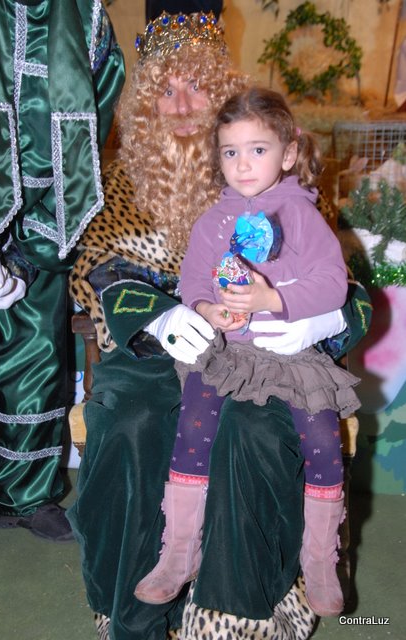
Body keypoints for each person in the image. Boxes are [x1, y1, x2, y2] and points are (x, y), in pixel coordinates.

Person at [66, 10, 370, 640]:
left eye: (196, 86)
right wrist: (162, 315)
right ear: (143, 108)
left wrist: (315, 322)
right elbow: (95, 272)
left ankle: (238, 617)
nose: (181, 105)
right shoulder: (112, 185)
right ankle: (135, 615)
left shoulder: (280, 182)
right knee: (130, 425)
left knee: (253, 431)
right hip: (152, 357)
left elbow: (346, 283)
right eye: (164, 91)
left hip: (263, 357)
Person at [133, 86, 361, 618]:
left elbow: (334, 284)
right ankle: (179, 551)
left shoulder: (302, 215)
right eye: (231, 152)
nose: (243, 164)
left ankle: (320, 560)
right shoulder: (211, 220)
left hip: (293, 357)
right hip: (228, 353)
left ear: (288, 153)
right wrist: (206, 309)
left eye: (258, 149)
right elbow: (194, 280)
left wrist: (274, 300)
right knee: (192, 430)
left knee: (322, 439)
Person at [0, 0, 125, 542]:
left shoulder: (87, 16)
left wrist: (29, 248)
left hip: (45, 224)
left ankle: (24, 493)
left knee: (37, 354)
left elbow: (95, 127)